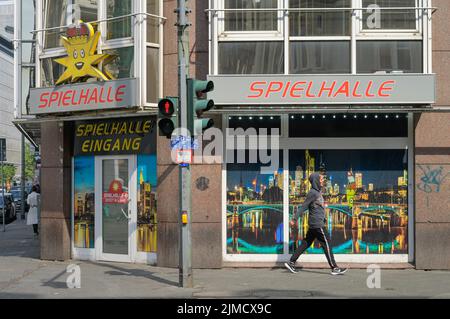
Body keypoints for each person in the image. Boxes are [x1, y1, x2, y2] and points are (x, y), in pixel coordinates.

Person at [285, 172, 348, 276]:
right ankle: (334, 268)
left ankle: (291, 262)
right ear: (316, 181)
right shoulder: (313, 193)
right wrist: (294, 219)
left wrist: (325, 219)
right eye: (321, 179)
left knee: (306, 243)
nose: (323, 181)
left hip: (316, 224)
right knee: (327, 244)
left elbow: (319, 208)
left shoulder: (318, 193)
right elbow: (304, 206)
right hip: (317, 224)